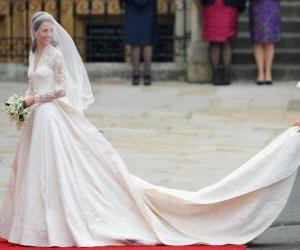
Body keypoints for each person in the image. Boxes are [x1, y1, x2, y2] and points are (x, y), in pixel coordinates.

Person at [0, 11, 300, 247]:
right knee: (33, 168)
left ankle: (60, 219)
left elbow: (62, 89)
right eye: (44, 32)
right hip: (38, 119)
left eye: (51, 31)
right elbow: (32, 81)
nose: (48, 35)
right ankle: (33, 221)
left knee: (59, 168)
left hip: (51, 115)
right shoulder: (33, 54)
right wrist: (24, 105)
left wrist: (31, 100)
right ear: (35, 34)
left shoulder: (54, 55)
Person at [197, 0, 246, 85]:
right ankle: (216, 75)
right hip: (213, 6)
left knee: (226, 39)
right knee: (215, 40)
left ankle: (226, 74)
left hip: (229, 6)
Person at [122, 0, 157, 86]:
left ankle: (136, 75)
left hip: (132, 7)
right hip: (148, 7)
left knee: (136, 41)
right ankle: (147, 75)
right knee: (147, 40)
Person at [249, 0, 281, 85]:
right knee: (257, 39)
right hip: (257, 5)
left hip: (272, 5)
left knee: (270, 40)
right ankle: (260, 72)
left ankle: (268, 72)